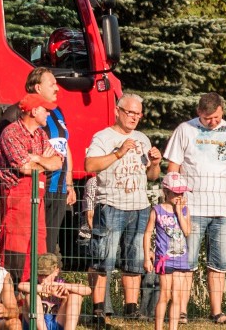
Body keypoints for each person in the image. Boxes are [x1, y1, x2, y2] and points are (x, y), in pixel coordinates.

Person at [163, 92, 226, 326]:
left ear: (222, 110)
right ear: (199, 112)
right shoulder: (185, 130)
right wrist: (175, 200)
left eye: (217, 117)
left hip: (221, 209)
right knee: (186, 264)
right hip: (192, 208)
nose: (214, 122)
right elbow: (173, 168)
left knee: (218, 264)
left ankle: (217, 312)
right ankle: (180, 311)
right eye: (209, 118)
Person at [84, 93, 162, 322]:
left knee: (134, 260)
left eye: (138, 114)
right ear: (118, 111)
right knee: (103, 259)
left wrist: (156, 163)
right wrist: (118, 153)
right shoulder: (103, 137)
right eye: (130, 112)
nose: (134, 118)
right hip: (111, 205)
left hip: (139, 207)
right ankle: (98, 309)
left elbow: (152, 177)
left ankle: (131, 308)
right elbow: (89, 164)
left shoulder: (142, 139)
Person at [0, 69, 75, 256]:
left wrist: (69, 183)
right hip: (30, 189)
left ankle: (44, 283)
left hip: (58, 187)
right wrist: (8, 176)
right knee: (24, 246)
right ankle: (24, 283)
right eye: (52, 84)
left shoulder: (56, 112)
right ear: (38, 87)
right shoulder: (15, 112)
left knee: (48, 247)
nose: (57, 88)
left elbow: (63, 149)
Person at [0, 93, 63, 285]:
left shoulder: (40, 134)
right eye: (46, 110)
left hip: (37, 198)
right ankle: (16, 295)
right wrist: (43, 161)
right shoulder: (11, 133)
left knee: (38, 248)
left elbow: (58, 161)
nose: (49, 114)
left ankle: (35, 297)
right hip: (17, 199)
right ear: (34, 111)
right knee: (16, 249)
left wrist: (36, 158)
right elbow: (24, 167)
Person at [144, 172, 192, 330]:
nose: (179, 196)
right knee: (165, 295)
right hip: (164, 260)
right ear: (165, 192)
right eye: (175, 193)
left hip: (180, 259)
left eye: (181, 192)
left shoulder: (185, 211)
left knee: (177, 296)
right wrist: (146, 257)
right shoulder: (157, 210)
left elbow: (187, 232)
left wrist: (179, 212)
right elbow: (147, 233)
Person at [17, 253, 91, 330]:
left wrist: (60, 287)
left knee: (75, 296)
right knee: (30, 296)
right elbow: (21, 286)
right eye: (40, 275)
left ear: (56, 271)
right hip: (36, 325)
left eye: (46, 275)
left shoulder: (60, 283)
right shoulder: (34, 283)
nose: (43, 279)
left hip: (58, 321)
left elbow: (88, 290)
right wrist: (48, 290)